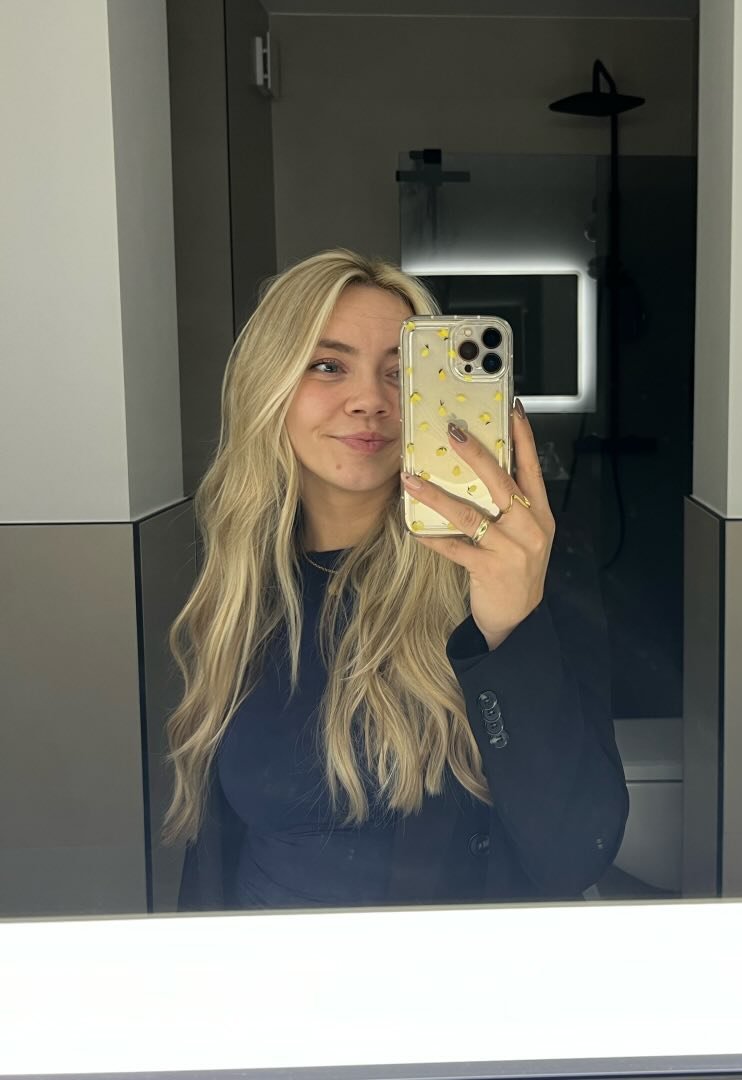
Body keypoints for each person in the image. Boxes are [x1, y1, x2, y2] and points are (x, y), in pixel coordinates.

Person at [165, 248, 629, 910]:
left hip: (446, 969)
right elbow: (216, 853)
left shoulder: (519, 570)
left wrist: (512, 630)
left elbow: (574, 854)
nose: (370, 402)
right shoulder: (243, 579)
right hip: (269, 967)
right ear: (270, 385)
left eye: (402, 372)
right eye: (328, 366)